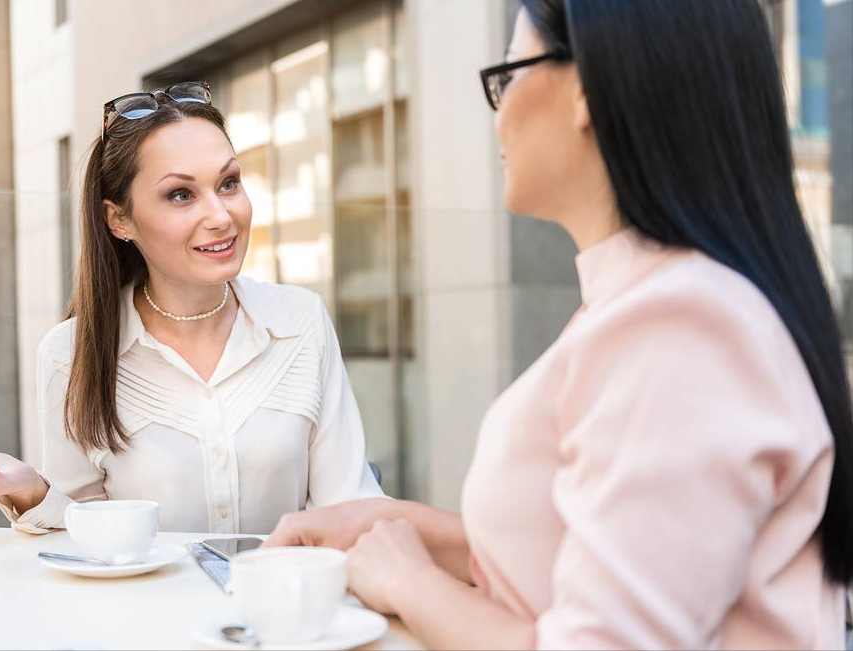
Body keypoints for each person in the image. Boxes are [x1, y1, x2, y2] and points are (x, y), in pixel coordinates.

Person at [264, 1, 853, 648]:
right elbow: (597, 555)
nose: (498, 110)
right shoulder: (653, 302)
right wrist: (398, 527)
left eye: (507, 76)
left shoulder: (681, 324)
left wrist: (409, 581)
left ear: (584, 89)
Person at [0, 81, 383, 534]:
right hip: (144, 621)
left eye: (229, 183)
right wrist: (30, 489)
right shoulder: (70, 353)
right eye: (181, 194)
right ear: (120, 219)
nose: (221, 216)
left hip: (282, 614)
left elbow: (349, 503)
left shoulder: (301, 321)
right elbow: (84, 538)